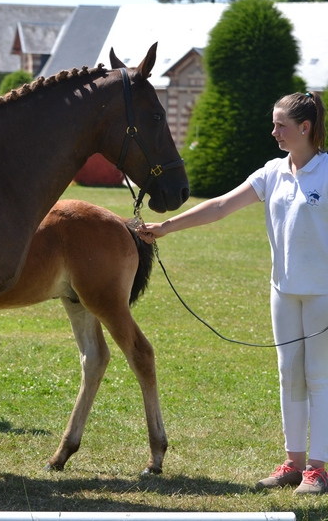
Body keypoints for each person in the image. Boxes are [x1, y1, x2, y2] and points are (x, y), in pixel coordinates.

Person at [138, 91, 328, 494]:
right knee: (288, 376)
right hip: (283, 292)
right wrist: (166, 227)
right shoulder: (272, 172)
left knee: (320, 378)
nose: (273, 131)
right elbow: (221, 205)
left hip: (323, 296)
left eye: (281, 124)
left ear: (305, 128)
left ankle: (319, 469)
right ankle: (294, 463)